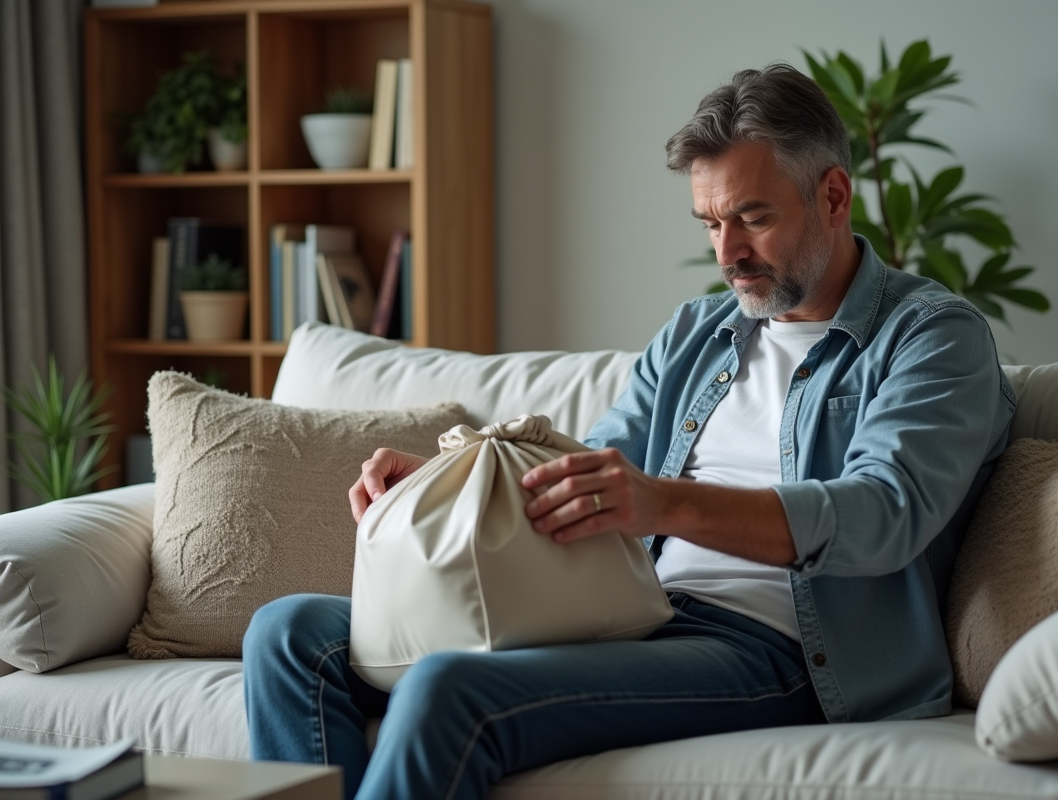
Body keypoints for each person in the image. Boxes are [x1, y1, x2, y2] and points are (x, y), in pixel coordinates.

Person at [242, 63, 1015, 800]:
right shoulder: (698, 332)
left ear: (835, 195)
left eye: (752, 218)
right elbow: (586, 468)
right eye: (711, 222)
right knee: (288, 634)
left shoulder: (932, 337)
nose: (727, 254)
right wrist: (448, 488)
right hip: (628, 608)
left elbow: (884, 513)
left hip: (783, 651)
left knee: (451, 690)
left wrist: (664, 504)